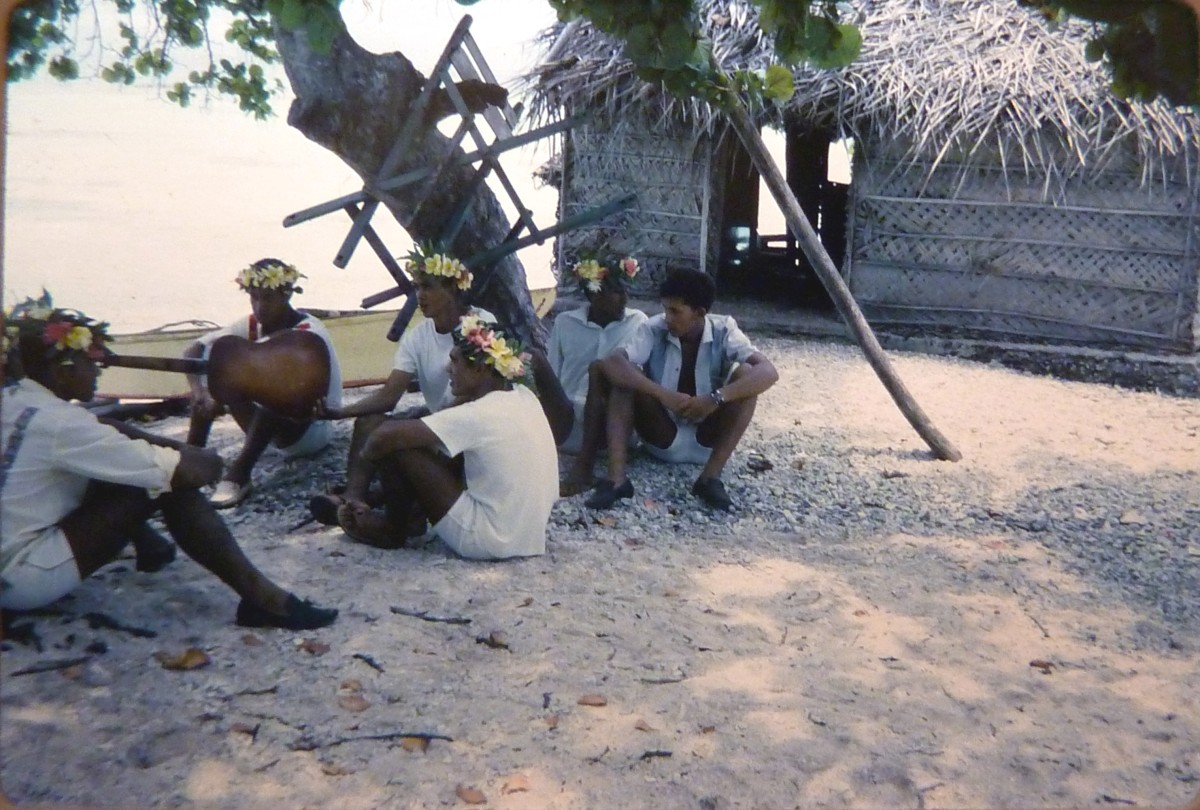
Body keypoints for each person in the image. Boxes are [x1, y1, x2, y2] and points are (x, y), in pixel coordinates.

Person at [0, 293, 337, 629]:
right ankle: (263, 599)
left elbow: (104, 432)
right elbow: (182, 472)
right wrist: (204, 461)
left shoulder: (15, 399)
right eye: (92, 362)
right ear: (62, 371)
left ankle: (151, 546)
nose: (99, 372)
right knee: (164, 484)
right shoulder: (62, 424)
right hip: (19, 577)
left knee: (117, 453)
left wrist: (171, 446)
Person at [337, 315, 557, 560]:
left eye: (455, 361)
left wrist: (371, 459)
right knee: (434, 443)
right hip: (528, 537)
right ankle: (412, 513)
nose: (448, 368)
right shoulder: (523, 395)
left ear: (480, 369)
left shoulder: (478, 414)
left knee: (398, 444)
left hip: (488, 540)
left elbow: (382, 438)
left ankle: (392, 529)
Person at [309, 248, 492, 525]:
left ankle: (392, 509)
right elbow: (389, 396)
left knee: (398, 441)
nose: (420, 295)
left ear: (452, 288)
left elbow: (479, 392)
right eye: (417, 287)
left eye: (427, 287)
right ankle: (353, 498)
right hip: (434, 425)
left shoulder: (482, 323)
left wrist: (422, 426)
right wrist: (339, 413)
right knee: (369, 422)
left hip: (468, 430)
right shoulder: (417, 337)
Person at [582, 267, 779, 512]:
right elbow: (612, 363)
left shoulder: (724, 329)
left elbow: (769, 372)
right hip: (662, 435)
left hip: (708, 440)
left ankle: (710, 478)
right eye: (665, 309)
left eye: (675, 311)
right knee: (626, 378)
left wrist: (715, 398)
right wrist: (663, 395)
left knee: (747, 375)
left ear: (700, 313)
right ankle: (616, 480)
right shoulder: (654, 328)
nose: (667, 317)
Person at [184, 258, 343, 508]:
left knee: (271, 389)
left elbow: (294, 390)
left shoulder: (309, 332)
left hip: (310, 430)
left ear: (287, 294)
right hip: (272, 432)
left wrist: (227, 392)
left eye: (267, 299)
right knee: (214, 369)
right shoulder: (251, 324)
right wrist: (200, 391)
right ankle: (189, 460)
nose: (259, 307)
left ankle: (238, 475)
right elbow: (195, 349)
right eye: (254, 298)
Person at [541, 255, 648, 496]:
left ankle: (584, 467)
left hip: (610, 431)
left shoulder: (638, 323)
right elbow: (554, 375)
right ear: (593, 295)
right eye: (615, 292)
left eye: (624, 291)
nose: (624, 299)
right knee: (537, 363)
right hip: (567, 427)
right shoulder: (565, 322)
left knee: (602, 370)